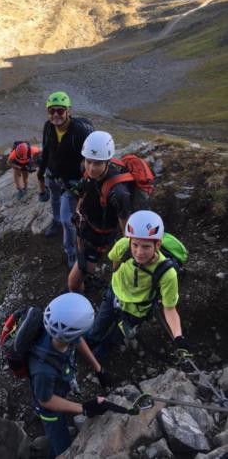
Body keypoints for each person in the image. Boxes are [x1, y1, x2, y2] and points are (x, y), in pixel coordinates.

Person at [28, 292, 131, 459]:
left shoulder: (57, 330)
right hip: (49, 409)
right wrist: (83, 408)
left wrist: (99, 370)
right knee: (62, 448)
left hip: (57, 386)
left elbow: (77, 340)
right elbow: (45, 400)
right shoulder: (43, 370)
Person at [86, 210, 191, 362]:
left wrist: (178, 338)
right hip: (114, 295)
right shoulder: (123, 246)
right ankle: (89, 345)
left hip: (135, 311)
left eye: (146, 247)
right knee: (98, 326)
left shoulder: (167, 273)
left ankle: (99, 355)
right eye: (135, 245)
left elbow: (169, 308)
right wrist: (116, 279)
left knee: (115, 337)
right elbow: (115, 262)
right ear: (129, 241)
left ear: (158, 244)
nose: (139, 252)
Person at [68, 131, 132, 292]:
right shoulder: (87, 170)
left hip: (98, 239)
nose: (91, 168)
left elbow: (126, 232)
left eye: (97, 163)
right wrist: (78, 212)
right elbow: (85, 191)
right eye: (89, 162)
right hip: (84, 226)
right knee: (80, 258)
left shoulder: (118, 193)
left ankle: (79, 306)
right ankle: (87, 276)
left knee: (73, 283)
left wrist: (126, 257)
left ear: (107, 162)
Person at [37, 91, 94, 269]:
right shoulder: (48, 126)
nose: (55, 115)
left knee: (68, 221)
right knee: (54, 199)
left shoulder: (79, 131)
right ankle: (54, 221)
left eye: (60, 111)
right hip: (53, 175)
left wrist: (84, 181)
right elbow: (46, 150)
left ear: (69, 111)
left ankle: (71, 252)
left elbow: (88, 159)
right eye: (51, 111)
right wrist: (41, 174)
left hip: (72, 182)